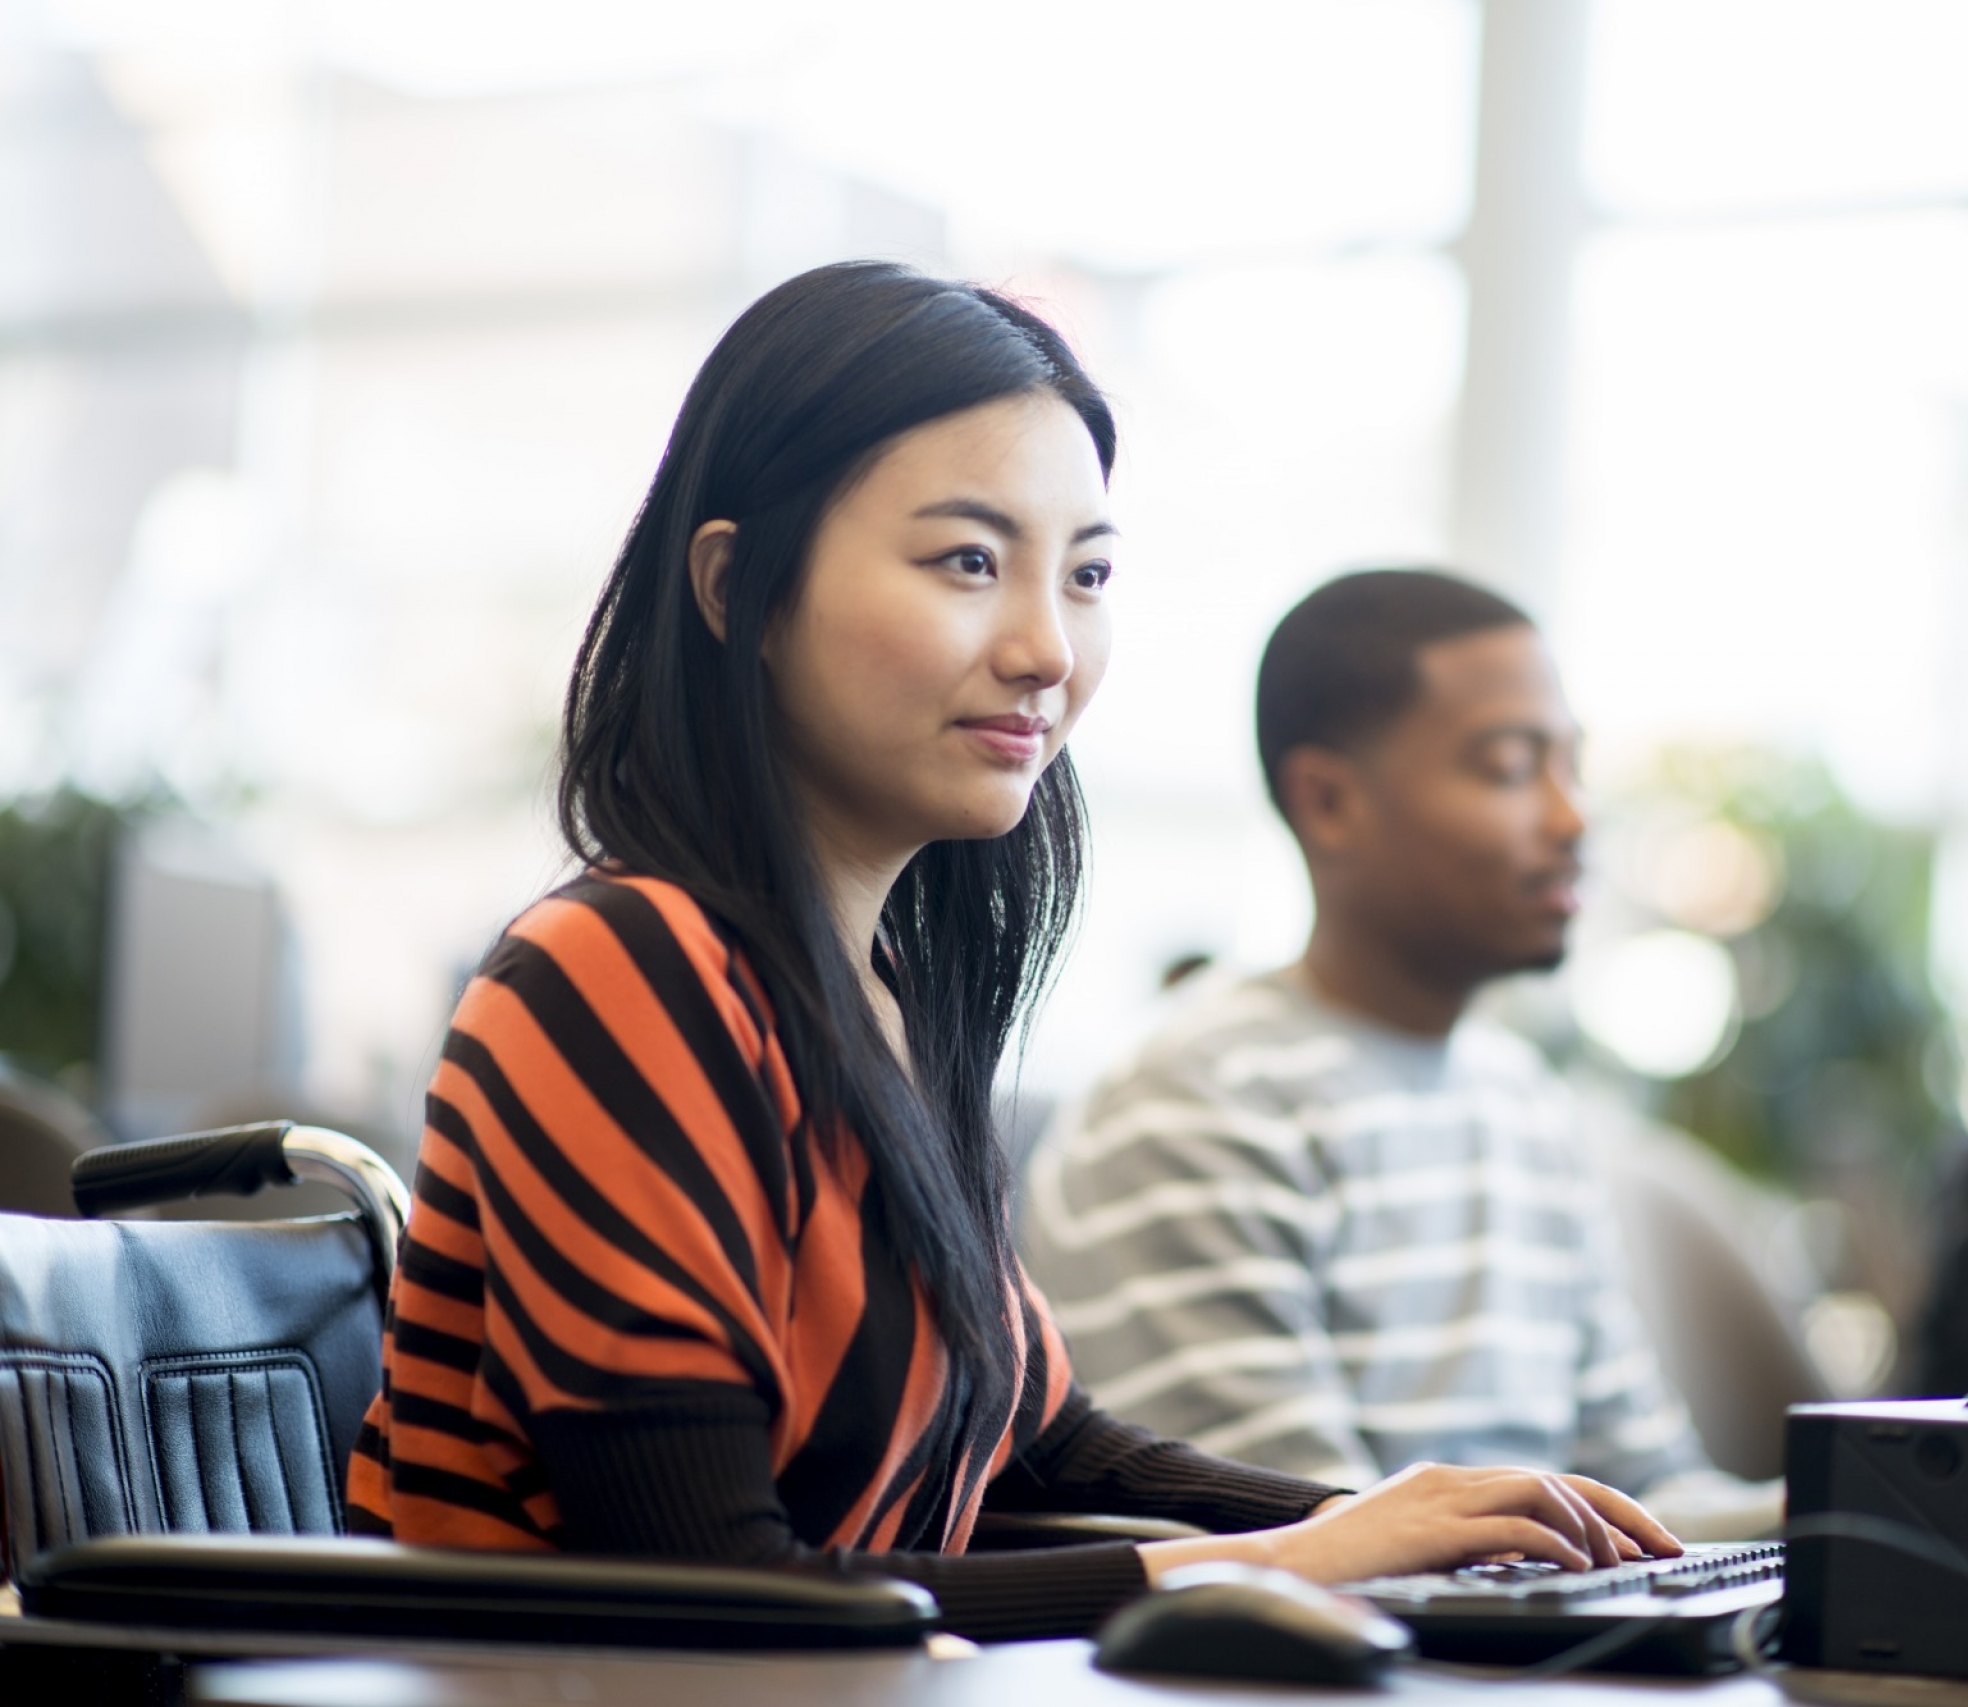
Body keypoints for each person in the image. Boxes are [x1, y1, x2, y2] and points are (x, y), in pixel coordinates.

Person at [346, 267, 1681, 1643]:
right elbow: (716, 1588)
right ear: (739, 585)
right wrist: (1297, 1554)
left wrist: (1414, 1523)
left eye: (1087, 574)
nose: (1049, 647)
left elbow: (1050, 1438)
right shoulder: (616, 972)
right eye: (968, 560)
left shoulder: (884, 1002)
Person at [1020, 569, 1777, 1538]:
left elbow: (1643, 1503)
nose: (1572, 817)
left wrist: (1868, 1516)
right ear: (1329, 801)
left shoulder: (1523, 1102)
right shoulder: (1197, 1104)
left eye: (1572, 768)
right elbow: (1315, 1546)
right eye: (1510, 768)